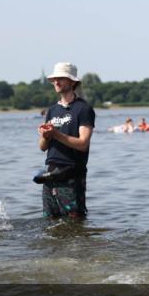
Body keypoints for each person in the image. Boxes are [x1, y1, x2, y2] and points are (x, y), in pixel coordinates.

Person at [36, 62, 95, 218]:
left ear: (72, 82)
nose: (56, 82)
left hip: (72, 175)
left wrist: (56, 134)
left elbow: (83, 144)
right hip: (50, 174)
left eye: (61, 78)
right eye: (55, 79)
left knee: (75, 223)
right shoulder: (52, 111)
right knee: (49, 223)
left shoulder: (84, 109)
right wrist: (45, 135)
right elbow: (42, 147)